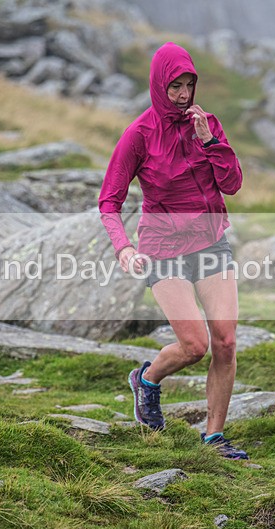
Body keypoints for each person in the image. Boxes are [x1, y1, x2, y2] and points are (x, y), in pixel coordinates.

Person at [98, 42, 248, 460]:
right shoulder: (139, 135)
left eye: (189, 85)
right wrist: (123, 247)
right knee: (195, 346)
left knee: (225, 341)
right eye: (175, 87)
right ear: (158, 86)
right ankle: (146, 380)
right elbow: (109, 201)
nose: (183, 95)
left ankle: (214, 438)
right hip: (163, 249)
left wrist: (209, 142)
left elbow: (233, 184)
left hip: (211, 241)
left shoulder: (207, 124)